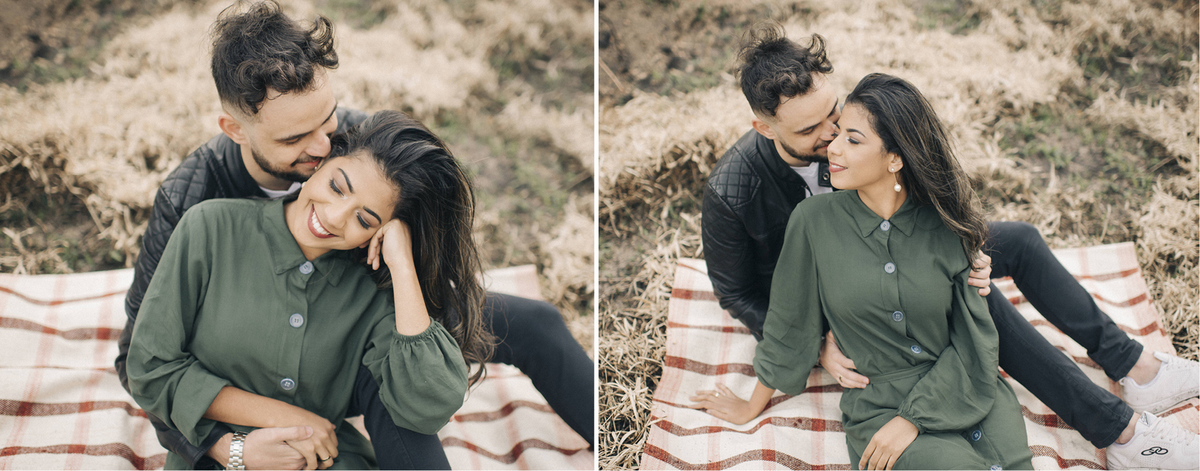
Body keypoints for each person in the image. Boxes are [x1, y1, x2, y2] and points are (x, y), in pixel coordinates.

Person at [114, 1, 594, 469]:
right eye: (293, 139)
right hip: (247, 352)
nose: (322, 146)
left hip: (362, 320)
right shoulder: (192, 200)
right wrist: (224, 447)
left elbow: (416, 212)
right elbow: (139, 358)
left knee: (528, 326)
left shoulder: (352, 141)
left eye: (328, 119)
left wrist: (402, 251)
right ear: (234, 130)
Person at [697, 24, 1197, 469]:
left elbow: (921, 179)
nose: (831, 136)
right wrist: (818, 340)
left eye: (834, 114)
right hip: (843, 288)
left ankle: (1133, 365)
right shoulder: (732, 190)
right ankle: (1118, 430)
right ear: (764, 128)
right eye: (810, 130)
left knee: (1012, 243)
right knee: (980, 303)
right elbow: (738, 293)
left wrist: (964, 241)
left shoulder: (855, 130)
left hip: (903, 244)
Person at [701, 72, 1034, 470]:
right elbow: (789, 322)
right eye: (837, 133)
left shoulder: (945, 223)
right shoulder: (812, 222)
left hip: (967, 393)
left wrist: (915, 418)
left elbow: (973, 339)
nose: (833, 148)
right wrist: (750, 405)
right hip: (880, 408)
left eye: (851, 139)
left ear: (895, 158)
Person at [128, 110, 486, 470]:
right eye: (337, 186)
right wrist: (277, 419)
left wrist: (404, 266)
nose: (333, 217)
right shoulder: (210, 227)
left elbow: (429, 407)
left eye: (365, 219)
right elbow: (151, 368)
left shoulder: (375, 289)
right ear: (323, 161)